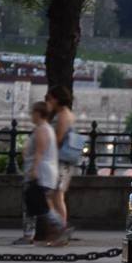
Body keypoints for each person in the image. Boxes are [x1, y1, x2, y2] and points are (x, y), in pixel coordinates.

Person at [21, 101, 66, 245]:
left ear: (38, 113)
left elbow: (39, 152)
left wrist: (34, 171)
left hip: (41, 174)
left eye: (32, 113)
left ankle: (59, 227)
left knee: (38, 207)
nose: (31, 116)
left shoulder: (41, 129)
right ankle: (30, 235)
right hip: (47, 174)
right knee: (36, 206)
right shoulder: (48, 129)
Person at [44, 85, 78, 238]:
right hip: (63, 161)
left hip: (60, 161)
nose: (48, 102)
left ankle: (61, 229)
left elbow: (58, 138)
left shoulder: (63, 115)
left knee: (55, 196)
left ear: (57, 99)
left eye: (50, 99)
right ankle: (59, 229)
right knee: (56, 196)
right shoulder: (65, 114)